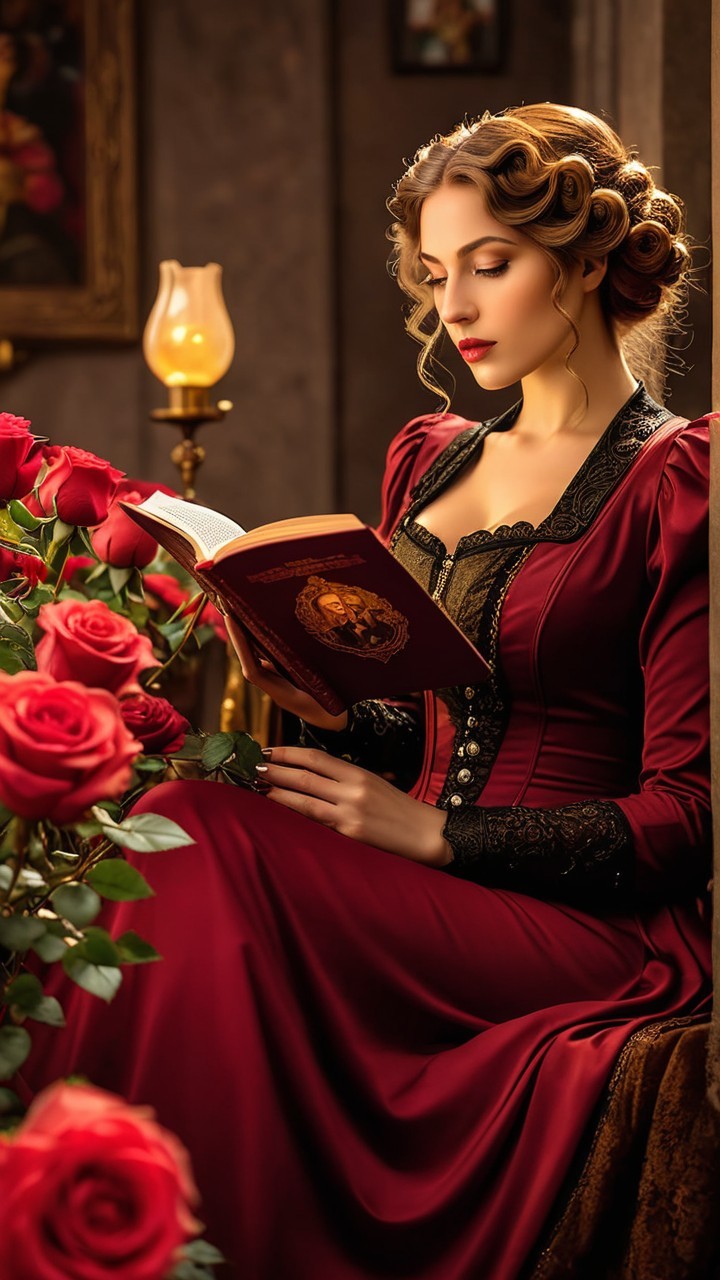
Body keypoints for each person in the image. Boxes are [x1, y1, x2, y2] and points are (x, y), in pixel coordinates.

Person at [28, 103, 712, 1279]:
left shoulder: (678, 479)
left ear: (588, 258)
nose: (454, 307)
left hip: (596, 934)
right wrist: (348, 712)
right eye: (438, 272)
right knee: (173, 834)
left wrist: (439, 833)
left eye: (490, 265)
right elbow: (431, 717)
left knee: (197, 834)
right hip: (419, 880)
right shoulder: (434, 455)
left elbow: (686, 817)